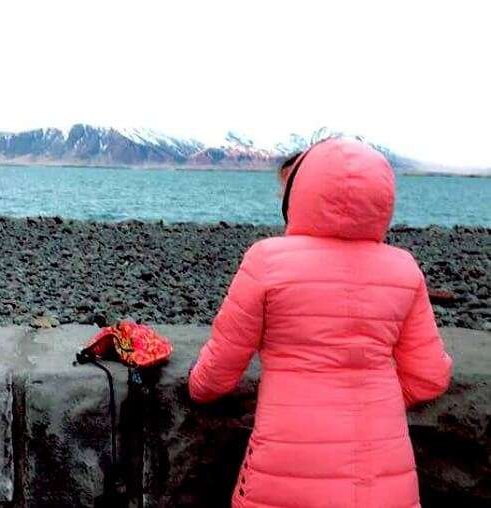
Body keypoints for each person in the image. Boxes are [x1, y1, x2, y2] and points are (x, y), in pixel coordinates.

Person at [188, 137, 453, 508]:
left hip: (284, 480)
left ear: (299, 195)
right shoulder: (404, 268)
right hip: (384, 488)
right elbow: (430, 378)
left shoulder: (266, 260)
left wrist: (195, 387)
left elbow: (217, 374)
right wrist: (378, 397)